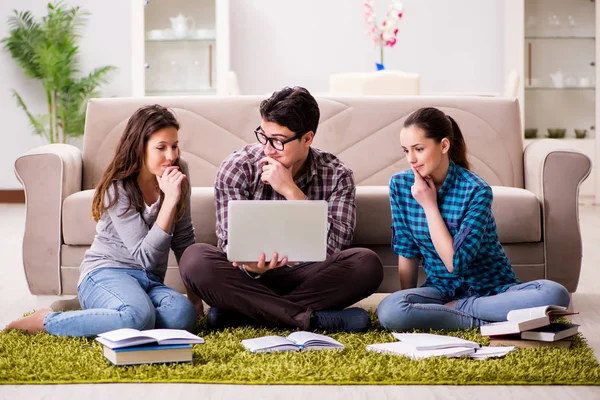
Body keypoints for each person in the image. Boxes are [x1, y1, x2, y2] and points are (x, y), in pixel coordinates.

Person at [179, 86, 383, 333]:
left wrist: (292, 191)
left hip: (309, 276)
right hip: (249, 280)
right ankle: (312, 320)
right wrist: (251, 266)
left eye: (278, 141)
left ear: (307, 138)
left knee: (366, 264)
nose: (267, 149)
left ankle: (243, 315)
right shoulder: (237, 167)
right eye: (263, 136)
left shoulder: (337, 175)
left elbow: (334, 247)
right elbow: (228, 245)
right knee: (194, 260)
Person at [6, 105, 197, 336]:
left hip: (150, 281)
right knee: (138, 317)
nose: (172, 156)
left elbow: (184, 239)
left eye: (174, 146)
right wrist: (170, 201)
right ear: (140, 148)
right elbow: (146, 257)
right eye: (161, 147)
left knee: (182, 314)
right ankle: (46, 320)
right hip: (107, 271)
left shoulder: (178, 171)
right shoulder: (119, 187)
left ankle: (107, 310)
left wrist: (195, 300)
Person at [377, 107, 570, 331]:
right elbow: (407, 251)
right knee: (391, 310)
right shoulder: (400, 185)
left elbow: (454, 263)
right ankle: (488, 319)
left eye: (418, 149)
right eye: (406, 151)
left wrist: (429, 206)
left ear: (444, 145)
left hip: (492, 290)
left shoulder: (476, 190)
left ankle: (462, 311)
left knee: (555, 294)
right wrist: (407, 299)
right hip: (441, 291)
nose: (411, 159)